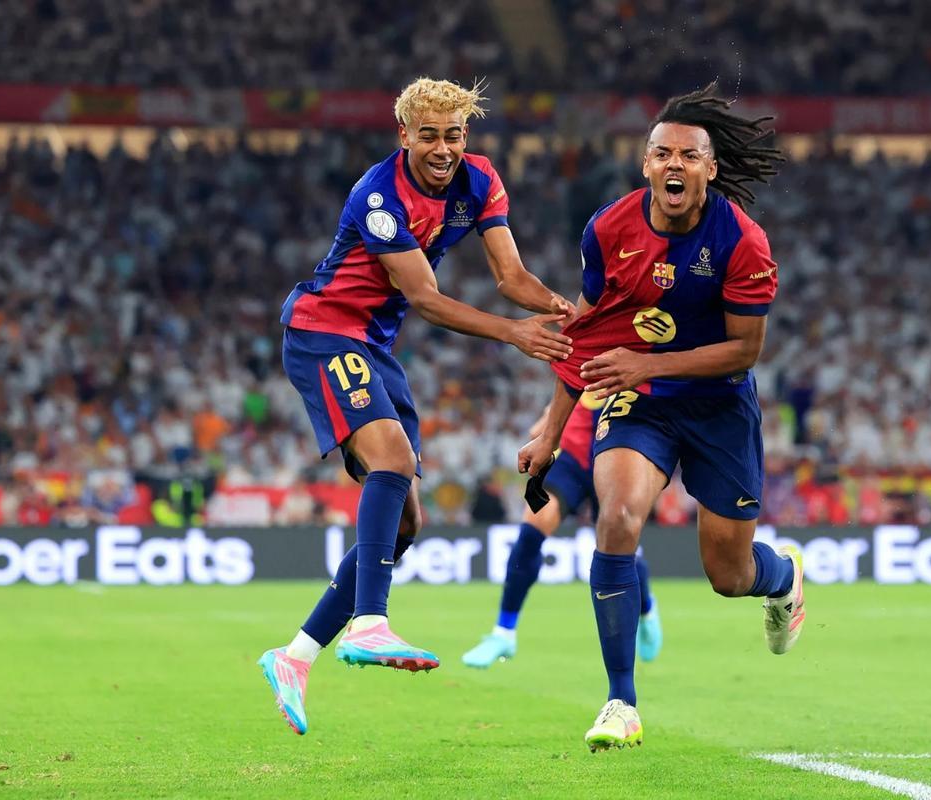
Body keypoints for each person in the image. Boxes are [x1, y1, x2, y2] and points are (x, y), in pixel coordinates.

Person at [259, 77, 575, 736]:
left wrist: (561, 308)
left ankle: (295, 657)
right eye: (428, 135)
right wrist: (514, 334)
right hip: (324, 331)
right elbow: (426, 299)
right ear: (403, 134)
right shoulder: (378, 196)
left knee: (404, 526)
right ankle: (369, 623)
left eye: (453, 135)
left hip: (373, 346)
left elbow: (511, 277)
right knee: (393, 460)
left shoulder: (479, 180)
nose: (442, 149)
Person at [518, 83, 804, 752]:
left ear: (710, 168)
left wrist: (647, 362)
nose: (674, 164)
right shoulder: (607, 229)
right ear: (645, 164)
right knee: (616, 519)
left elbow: (745, 350)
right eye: (662, 153)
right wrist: (550, 432)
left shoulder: (743, 241)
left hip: (718, 404)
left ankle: (784, 576)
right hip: (640, 400)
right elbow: (588, 332)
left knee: (728, 576)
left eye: (689, 155)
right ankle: (621, 701)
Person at [461, 393, 662, 668]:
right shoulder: (583, 367)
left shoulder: (641, 368)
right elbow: (568, 388)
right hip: (572, 459)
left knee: (620, 547)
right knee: (531, 531)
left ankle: (646, 608)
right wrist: (548, 420)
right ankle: (503, 632)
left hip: (617, 455)